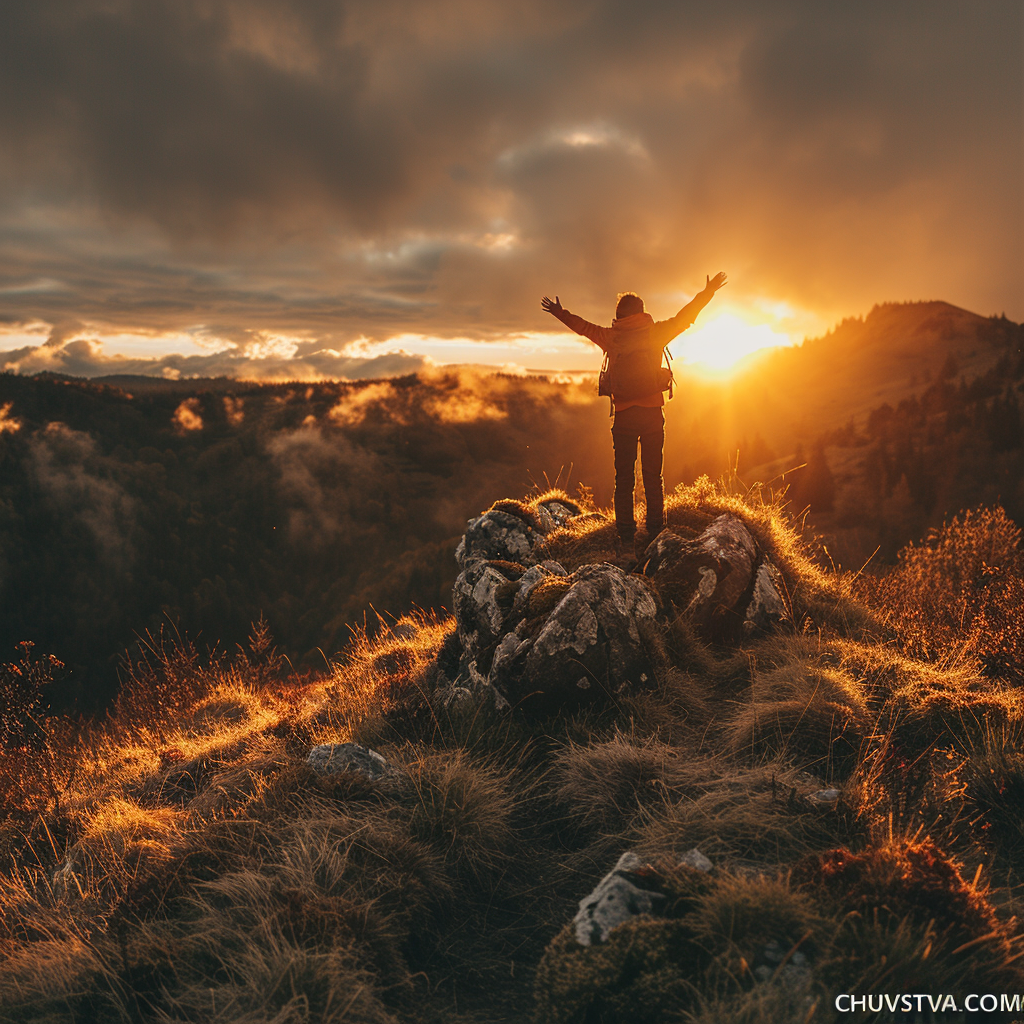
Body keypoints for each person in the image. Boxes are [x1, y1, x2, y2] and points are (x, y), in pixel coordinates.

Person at [541, 273, 727, 548]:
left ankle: (626, 539)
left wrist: (559, 312)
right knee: (654, 477)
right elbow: (685, 317)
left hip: (624, 417)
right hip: (652, 415)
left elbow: (582, 327)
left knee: (624, 479)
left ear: (619, 315)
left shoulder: (610, 337)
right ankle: (655, 534)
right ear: (642, 312)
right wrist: (707, 292)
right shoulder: (656, 332)